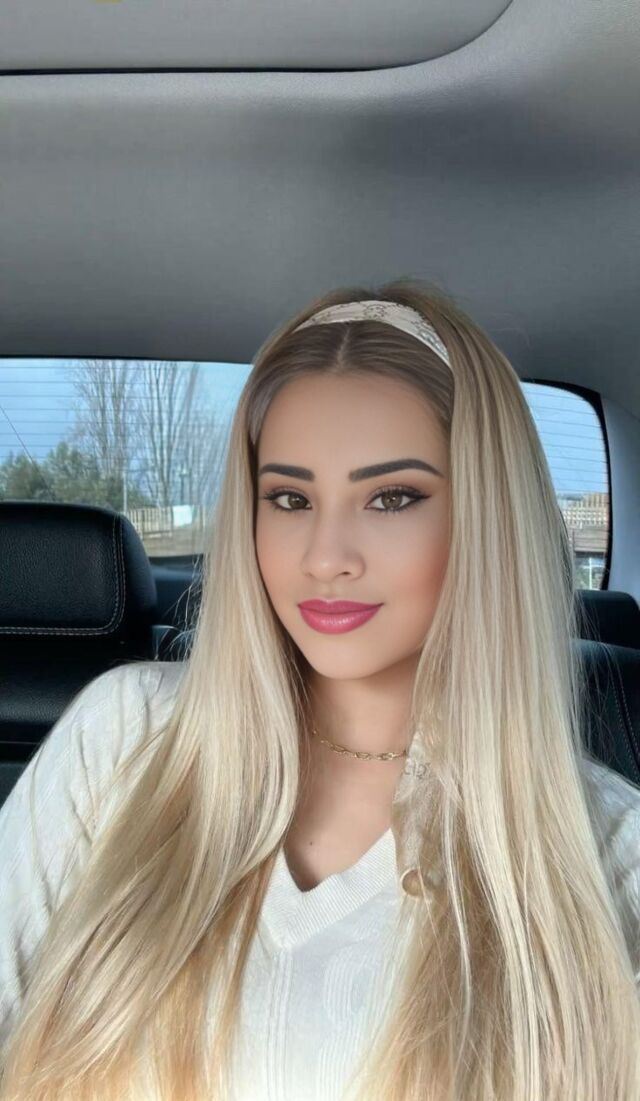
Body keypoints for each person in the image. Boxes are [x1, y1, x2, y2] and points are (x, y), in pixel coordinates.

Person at [0, 279, 639, 1100]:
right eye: (290, 498)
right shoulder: (123, 738)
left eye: (392, 497)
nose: (325, 554)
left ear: (485, 518)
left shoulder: (606, 852)